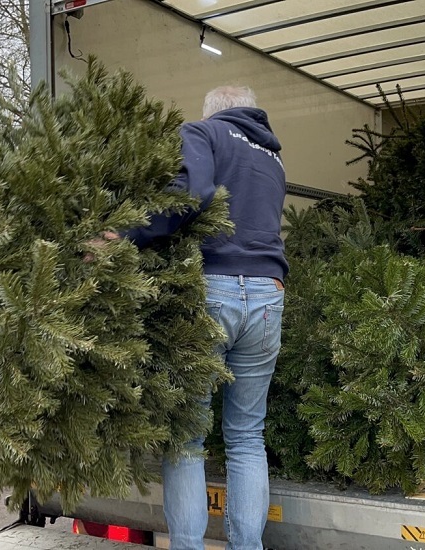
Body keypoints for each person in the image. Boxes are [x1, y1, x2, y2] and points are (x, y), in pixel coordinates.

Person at [124, 86, 288, 550]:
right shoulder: (274, 159)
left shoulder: (204, 132)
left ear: (213, 112)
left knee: (188, 436)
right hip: (268, 294)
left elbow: (189, 194)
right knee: (246, 437)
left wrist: (127, 233)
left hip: (213, 288)